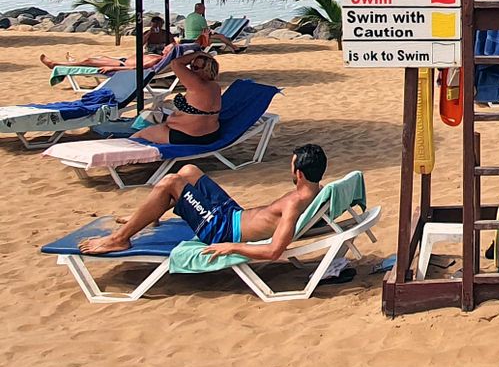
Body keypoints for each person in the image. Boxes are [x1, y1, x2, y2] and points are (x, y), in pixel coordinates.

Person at [79, 144, 327, 258]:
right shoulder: (317, 191)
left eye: (291, 166)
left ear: (299, 174)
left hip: (222, 230)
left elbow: (274, 251)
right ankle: (146, 216)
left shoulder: (294, 204)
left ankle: (119, 239)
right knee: (189, 171)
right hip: (231, 215)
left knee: (170, 183)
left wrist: (231, 247)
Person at [130, 50, 223, 146]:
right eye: (190, 67)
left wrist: (197, 54)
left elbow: (176, 63)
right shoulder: (215, 87)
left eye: (195, 68)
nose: (190, 71)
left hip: (188, 136)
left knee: (140, 135)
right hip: (211, 135)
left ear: (206, 70)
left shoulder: (197, 84)